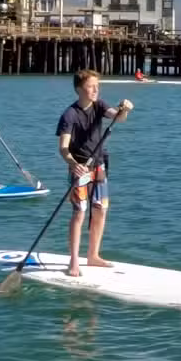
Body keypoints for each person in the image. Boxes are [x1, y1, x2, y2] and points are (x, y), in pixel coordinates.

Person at [56, 69, 133, 277]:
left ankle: (93, 255)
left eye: (97, 86)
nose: (96, 89)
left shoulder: (99, 105)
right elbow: (63, 147)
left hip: (99, 165)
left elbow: (117, 117)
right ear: (80, 89)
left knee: (100, 209)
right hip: (80, 168)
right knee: (80, 212)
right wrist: (72, 163)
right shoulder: (69, 115)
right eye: (91, 86)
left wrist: (124, 109)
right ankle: (74, 261)